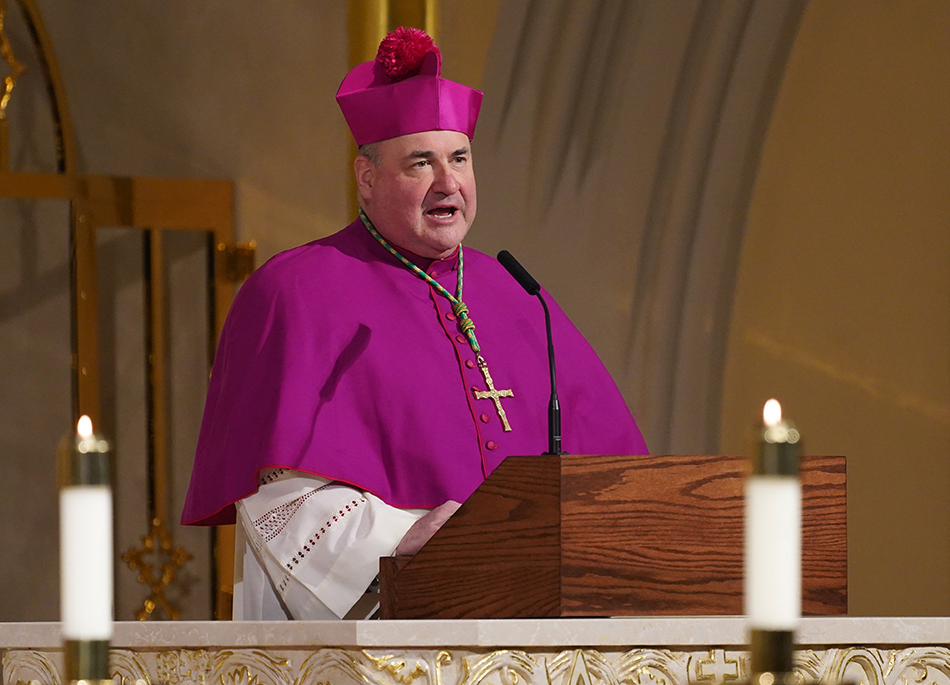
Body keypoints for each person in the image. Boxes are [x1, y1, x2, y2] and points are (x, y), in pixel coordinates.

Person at [181, 27, 647, 620]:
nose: (448, 183)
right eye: (420, 164)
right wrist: (405, 538)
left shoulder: (518, 294)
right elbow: (278, 498)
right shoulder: (294, 291)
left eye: (460, 159)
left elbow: (615, 480)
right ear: (367, 177)